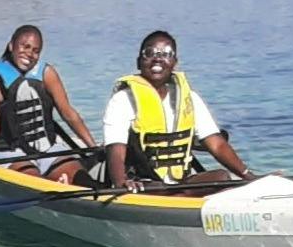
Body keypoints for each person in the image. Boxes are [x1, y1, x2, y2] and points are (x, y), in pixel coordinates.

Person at [102, 30, 254, 190]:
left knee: (221, 176)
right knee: (157, 187)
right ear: (139, 62)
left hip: (180, 183)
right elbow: (116, 150)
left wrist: (249, 176)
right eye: (149, 53)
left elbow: (217, 145)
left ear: (174, 62)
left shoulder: (189, 99)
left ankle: (182, 199)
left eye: (167, 54)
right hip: (144, 184)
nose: (158, 59)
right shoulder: (123, 100)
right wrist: (121, 182)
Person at [0, 24, 96, 182]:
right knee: (35, 180)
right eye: (25, 47)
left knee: (82, 180)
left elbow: (68, 114)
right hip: (10, 153)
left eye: (36, 50)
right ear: (11, 46)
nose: (30, 54)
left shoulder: (47, 74)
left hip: (48, 149)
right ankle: (49, 187)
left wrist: (93, 148)